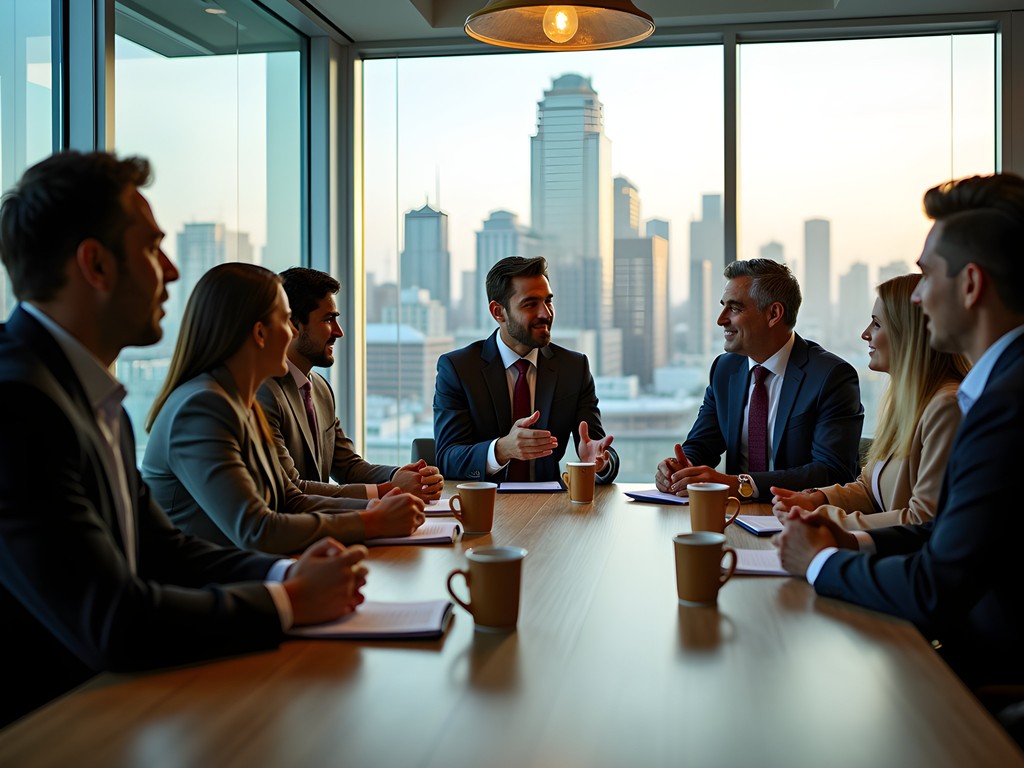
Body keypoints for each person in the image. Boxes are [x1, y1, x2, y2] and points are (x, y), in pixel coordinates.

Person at [0, 150, 367, 726]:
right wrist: (289, 600)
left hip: (120, 704)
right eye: (151, 248)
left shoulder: (91, 396)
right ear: (95, 265)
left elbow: (162, 548)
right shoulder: (18, 404)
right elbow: (113, 619)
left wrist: (284, 575)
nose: (171, 271)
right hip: (52, 728)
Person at [776, 173, 1024, 688]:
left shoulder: (1001, 405)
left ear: (972, 285)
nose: (917, 298)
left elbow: (936, 585)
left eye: (927, 275)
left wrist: (820, 561)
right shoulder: (999, 387)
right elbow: (943, 534)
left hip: (987, 674)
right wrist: (848, 539)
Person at [142, 263, 425, 555]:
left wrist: (377, 507)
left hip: (247, 573)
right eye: (287, 319)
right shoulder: (203, 407)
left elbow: (290, 498)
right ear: (260, 333)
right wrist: (373, 520)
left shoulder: (240, 401)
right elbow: (257, 529)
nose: (291, 331)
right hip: (206, 588)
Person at [655, 258, 863, 502]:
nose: (721, 319)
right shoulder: (725, 369)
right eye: (723, 306)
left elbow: (833, 471)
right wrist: (680, 468)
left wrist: (740, 484)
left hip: (798, 520)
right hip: (734, 517)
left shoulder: (831, 376)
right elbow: (702, 444)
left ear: (773, 313)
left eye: (734, 308)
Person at [771, 274, 968, 529]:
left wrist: (827, 520)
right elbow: (870, 488)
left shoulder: (946, 407)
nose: (865, 334)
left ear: (907, 333)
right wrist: (816, 499)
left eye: (876, 324)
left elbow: (923, 520)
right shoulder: (910, 402)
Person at [256, 267, 443, 503]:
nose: (339, 332)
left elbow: (348, 467)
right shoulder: (264, 393)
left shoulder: (320, 388)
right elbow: (292, 489)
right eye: (328, 319)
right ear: (293, 324)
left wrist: (403, 476)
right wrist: (389, 489)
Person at [434, 256, 618, 484]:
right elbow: (447, 459)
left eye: (548, 301)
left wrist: (600, 464)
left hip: (548, 510)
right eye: (530, 304)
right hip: (485, 508)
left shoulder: (574, 367)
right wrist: (502, 449)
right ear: (498, 312)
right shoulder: (459, 369)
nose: (546, 313)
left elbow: (597, 447)